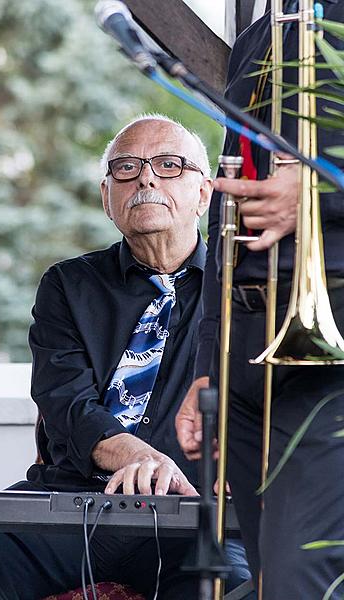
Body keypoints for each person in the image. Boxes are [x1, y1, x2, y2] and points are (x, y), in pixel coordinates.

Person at [0, 115, 252, 600]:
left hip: (193, 517)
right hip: (72, 504)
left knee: (238, 586)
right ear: (107, 197)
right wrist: (138, 454)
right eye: (126, 168)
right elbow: (65, 402)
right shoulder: (68, 285)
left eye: (169, 165)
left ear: (205, 193)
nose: (146, 178)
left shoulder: (245, 289)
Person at [176, 1, 344, 599]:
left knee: (303, 582)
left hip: (329, 355)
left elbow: (304, 188)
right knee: (271, 580)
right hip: (247, 345)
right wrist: (208, 370)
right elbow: (231, 211)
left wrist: (318, 191)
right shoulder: (260, 38)